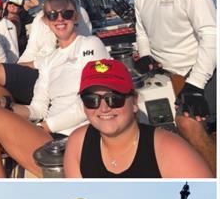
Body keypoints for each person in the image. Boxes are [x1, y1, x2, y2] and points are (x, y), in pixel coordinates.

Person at [0, 0, 108, 177]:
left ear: (75, 16)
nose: (59, 19)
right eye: (53, 15)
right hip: (49, 135)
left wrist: (46, 126)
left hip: (72, 137)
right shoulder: (48, 60)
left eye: (66, 14)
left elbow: (93, 102)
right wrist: (0, 103)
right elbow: (37, 109)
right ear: (45, 21)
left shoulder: (90, 45)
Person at [129, 0, 216, 174]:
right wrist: (145, 54)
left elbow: (210, 34)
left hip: (203, 70)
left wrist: (196, 85)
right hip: (168, 76)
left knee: (186, 123)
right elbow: (142, 31)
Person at [65, 59, 212, 178]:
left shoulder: (170, 150)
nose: (103, 108)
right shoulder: (78, 143)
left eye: (114, 98)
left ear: (134, 102)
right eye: (91, 100)